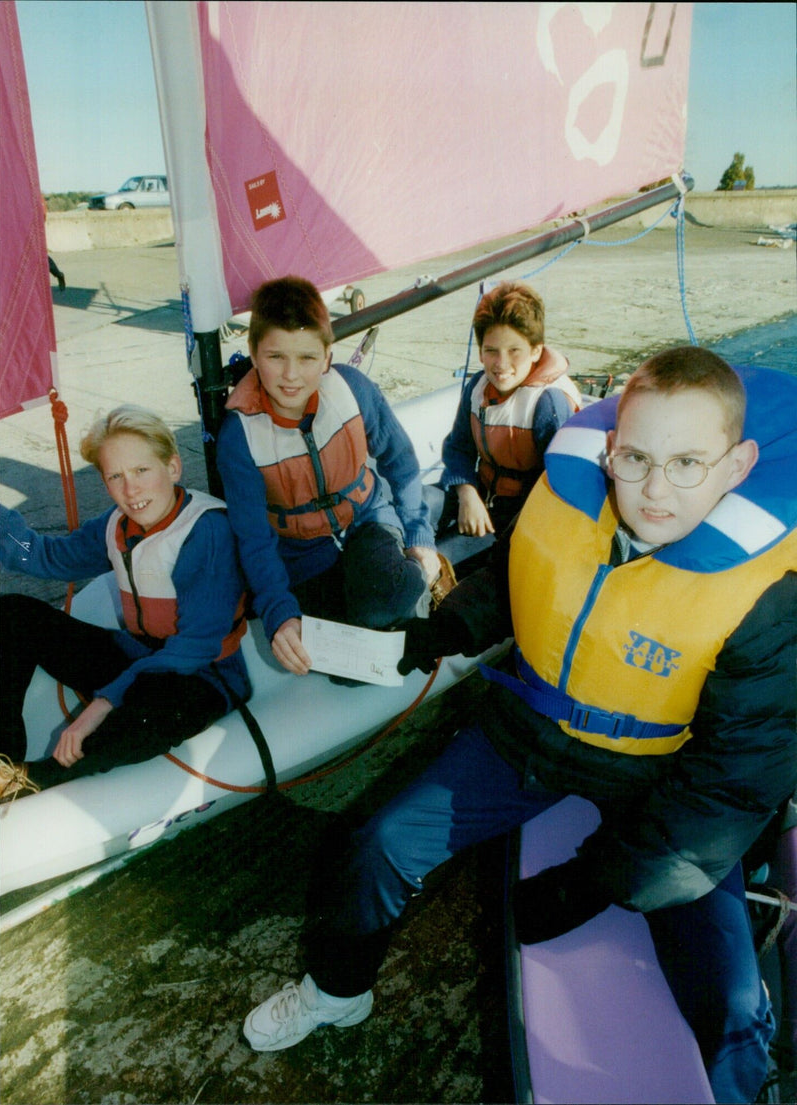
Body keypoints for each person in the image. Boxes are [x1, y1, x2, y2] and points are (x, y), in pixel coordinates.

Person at [241, 348, 797, 1105]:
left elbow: (730, 786)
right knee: (373, 843)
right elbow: (517, 575)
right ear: (609, 451)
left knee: (732, 1002)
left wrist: (595, 880)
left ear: (737, 467)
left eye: (688, 462)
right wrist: (438, 632)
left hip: (659, 773)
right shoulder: (568, 503)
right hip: (524, 731)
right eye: (634, 458)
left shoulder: (765, 598)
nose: (655, 489)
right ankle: (338, 989)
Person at [0, 405, 250, 800]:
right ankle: (2, 760)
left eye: (141, 471)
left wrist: (102, 704)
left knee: (152, 714)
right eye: (116, 476)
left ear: (173, 468)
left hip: (203, 675)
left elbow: (195, 648)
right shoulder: (117, 523)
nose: (130, 490)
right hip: (136, 657)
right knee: (11, 613)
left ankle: (34, 778)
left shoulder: (207, 532)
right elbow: (44, 557)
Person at [216, 275, 448, 678]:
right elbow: (253, 539)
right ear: (253, 354)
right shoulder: (239, 438)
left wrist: (419, 538)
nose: (291, 375)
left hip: (367, 522)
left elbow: (401, 460)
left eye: (306, 358)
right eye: (275, 357)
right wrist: (279, 614)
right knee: (338, 666)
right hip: (300, 552)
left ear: (327, 356)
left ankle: (427, 570)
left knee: (382, 605)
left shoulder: (352, 387)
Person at [426, 281, 579, 560]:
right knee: (420, 503)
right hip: (480, 491)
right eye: (491, 350)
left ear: (535, 351)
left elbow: (560, 488)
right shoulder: (477, 387)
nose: (501, 363)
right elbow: (459, 448)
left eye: (514, 350)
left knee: (438, 558)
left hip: (517, 516)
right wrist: (468, 495)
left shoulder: (548, 403)